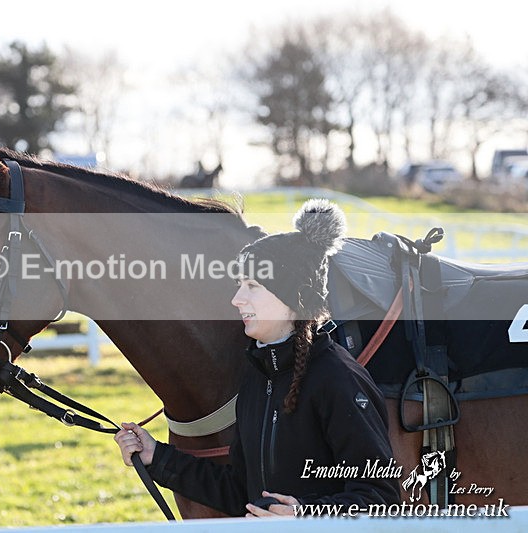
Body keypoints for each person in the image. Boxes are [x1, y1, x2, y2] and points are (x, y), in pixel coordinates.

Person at [115, 199, 400, 517]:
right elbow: (240, 490)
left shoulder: (338, 379)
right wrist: (158, 457)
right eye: (239, 285)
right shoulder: (257, 377)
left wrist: (305, 515)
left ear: (294, 297)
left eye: (252, 286)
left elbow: (380, 497)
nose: (237, 299)